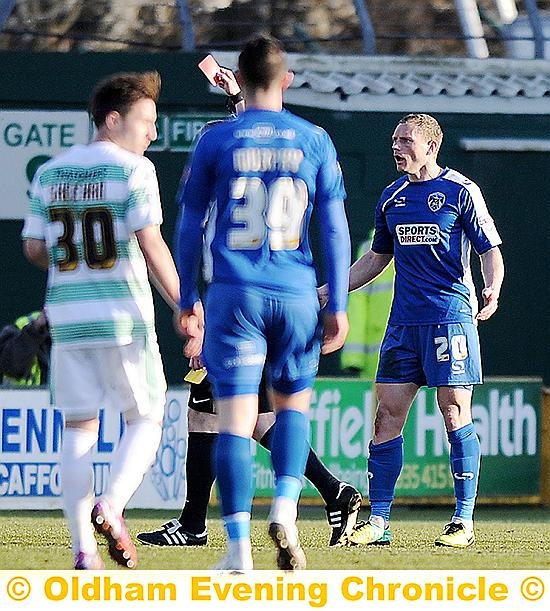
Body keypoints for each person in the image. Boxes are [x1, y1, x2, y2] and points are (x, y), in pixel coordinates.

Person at [138, 65, 360, 552]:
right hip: (289, 295)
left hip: (239, 296)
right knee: (243, 415)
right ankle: (331, 493)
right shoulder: (305, 139)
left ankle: (206, 526)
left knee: (225, 415)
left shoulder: (224, 144)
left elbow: (190, 225)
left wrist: (191, 303)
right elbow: (334, 228)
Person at [22, 71, 182, 570]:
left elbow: (33, 248)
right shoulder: (134, 171)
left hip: (68, 320)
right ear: (114, 120)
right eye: (146, 122)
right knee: (148, 417)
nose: (152, 133)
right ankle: (111, 504)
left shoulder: (50, 173)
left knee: (77, 431)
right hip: (123, 321)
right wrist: (186, 307)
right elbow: (151, 245)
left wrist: (78, 264)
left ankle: (83, 551)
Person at [321, 113, 504, 549]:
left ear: (430, 146)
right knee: (386, 418)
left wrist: (492, 288)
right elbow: (375, 260)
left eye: (405, 140)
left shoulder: (461, 192)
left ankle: (462, 521)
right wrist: (329, 289)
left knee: (455, 412)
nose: (396, 147)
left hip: (449, 319)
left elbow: (489, 249)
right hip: (403, 324)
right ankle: (379, 522)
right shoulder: (392, 197)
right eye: (394, 140)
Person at [137, 365, 362, 548]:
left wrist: (202, 328)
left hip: (232, 327)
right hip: (257, 327)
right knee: (260, 420)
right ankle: (335, 492)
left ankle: (194, 525)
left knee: (206, 419)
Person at [341, 229, 393, 380]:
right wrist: (353, 358)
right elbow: (357, 305)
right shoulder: (368, 249)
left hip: (420, 356)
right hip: (375, 361)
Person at [0, 310, 50, 386]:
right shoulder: (23, 324)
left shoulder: (72, 331)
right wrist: (35, 330)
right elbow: (11, 367)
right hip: (22, 396)